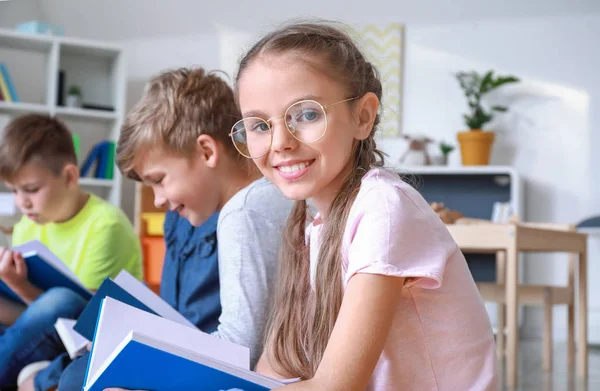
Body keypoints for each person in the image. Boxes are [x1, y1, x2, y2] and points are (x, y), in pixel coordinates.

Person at [230, 21, 498, 390]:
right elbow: (270, 370)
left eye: (306, 114)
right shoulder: (309, 225)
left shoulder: (383, 207)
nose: (280, 142)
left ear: (363, 117)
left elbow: (335, 387)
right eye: (259, 125)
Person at [58, 67, 293, 391]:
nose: (157, 200)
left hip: (246, 374)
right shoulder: (263, 197)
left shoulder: (243, 213)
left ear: (207, 151)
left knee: (81, 377)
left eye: (159, 180)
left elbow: (239, 350)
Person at [0, 114, 143, 389]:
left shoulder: (106, 225)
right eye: (14, 191)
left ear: (69, 176)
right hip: (33, 331)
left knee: (60, 300)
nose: (22, 203)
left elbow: (78, 319)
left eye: (31, 189)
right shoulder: (26, 226)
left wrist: (19, 286)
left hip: (86, 339)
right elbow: (28, 321)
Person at [37, 211, 221, 391]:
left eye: (159, 180)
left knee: (74, 373)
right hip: (167, 342)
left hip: (192, 355)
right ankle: (42, 377)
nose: (159, 200)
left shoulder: (108, 223)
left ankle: (41, 378)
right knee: (78, 366)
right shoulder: (176, 216)